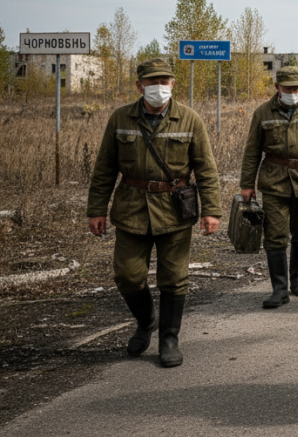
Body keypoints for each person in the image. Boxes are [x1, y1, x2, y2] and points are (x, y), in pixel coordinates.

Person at [85, 58, 221, 367]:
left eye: (164, 81)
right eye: (151, 82)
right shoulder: (121, 118)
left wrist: (211, 210)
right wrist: (96, 209)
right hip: (131, 209)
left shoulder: (189, 119)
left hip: (174, 211)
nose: (158, 87)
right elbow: (104, 168)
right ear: (139, 85)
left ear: (173, 83)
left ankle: (169, 338)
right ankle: (146, 321)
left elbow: (207, 170)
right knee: (127, 275)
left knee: (174, 278)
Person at [239, 65, 298, 309]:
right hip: (274, 182)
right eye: (288, 88)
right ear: (277, 87)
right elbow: (252, 151)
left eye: (297, 88)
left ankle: (297, 279)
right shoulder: (262, 112)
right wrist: (246, 184)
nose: (293, 92)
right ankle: (279, 288)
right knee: (275, 235)